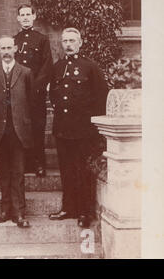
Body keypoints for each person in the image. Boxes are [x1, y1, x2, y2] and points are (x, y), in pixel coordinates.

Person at [48, 28, 108, 228]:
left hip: (84, 131)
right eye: (65, 41)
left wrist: (94, 127)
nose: (68, 44)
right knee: (66, 170)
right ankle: (69, 208)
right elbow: (55, 97)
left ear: (80, 42)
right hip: (63, 129)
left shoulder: (90, 67)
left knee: (83, 171)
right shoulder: (58, 67)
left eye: (72, 40)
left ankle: (85, 211)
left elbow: (101, 98)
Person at [0, 36, 33, 228]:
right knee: (4, 172)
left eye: (9, 48)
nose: (6, 51)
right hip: (0, 130)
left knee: (19, 172)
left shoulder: (26, 72)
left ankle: (19, 212)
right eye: (3, 48)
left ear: (16, 49)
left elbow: (31, 102)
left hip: (19, 130)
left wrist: (29, 128)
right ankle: (5, 210)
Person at [14, 4, 53, 177]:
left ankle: (39, 163)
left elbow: (47, 66)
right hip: (18, 93)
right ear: (17, 18)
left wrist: (36, 88)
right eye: (22, 15)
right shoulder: (14, 41)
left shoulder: (42, 39)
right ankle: (26, 163)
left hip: (36, 93)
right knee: (22, 128)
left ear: (34, 16)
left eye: (28, 14)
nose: (25, 18)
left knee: (37, 127)